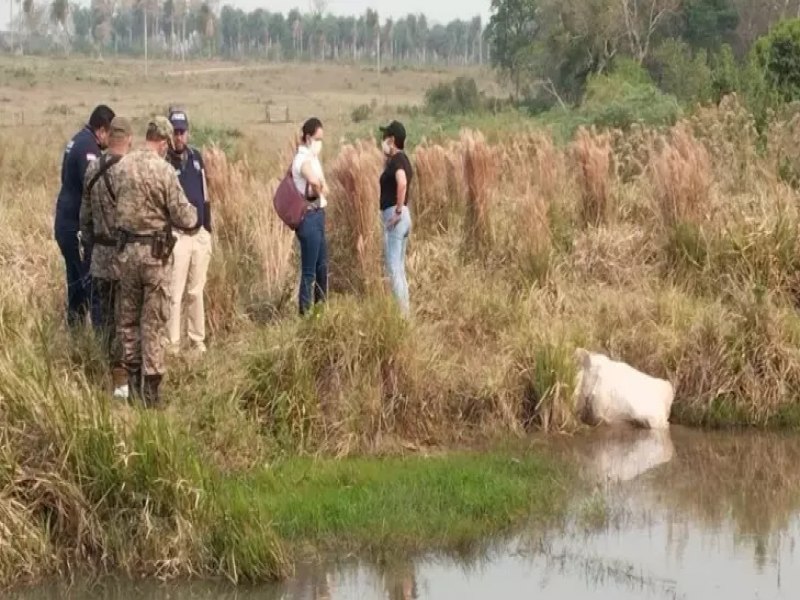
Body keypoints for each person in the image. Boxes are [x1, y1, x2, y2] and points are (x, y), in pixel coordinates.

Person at [114, 117, 197, 407]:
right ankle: (152, 391)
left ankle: (131, 385)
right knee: (153, 322)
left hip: (126, 255)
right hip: (154, 257)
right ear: (162, 141)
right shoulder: (164, 171)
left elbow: (114, 205)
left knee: (127, 321)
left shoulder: (121, 166)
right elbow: (185, 216)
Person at [79, 116, 133, 399]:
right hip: (123, 257)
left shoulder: (92, 169)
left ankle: (101, 369)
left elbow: (84, 217)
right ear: (129, 139)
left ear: (109, 136)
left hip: (99, 255)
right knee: (125, 318)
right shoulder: (127, 171)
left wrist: (89, 245)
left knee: (103, 317)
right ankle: (121, 379)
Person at [54, 104, 116, 329]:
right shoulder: (89, 149)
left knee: (76, 283)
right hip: (75, 227)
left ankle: (76, 332)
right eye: (110, 134)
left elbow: (64, 178)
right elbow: (94, 186)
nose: (110, 140)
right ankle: (95, 338)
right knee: (88, 284)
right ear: (101, 130)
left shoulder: (76, 141)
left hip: (65, 222)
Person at [165, 108, 212, 355]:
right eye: (175, 132)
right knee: (174, 292)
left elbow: (205, 195)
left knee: (196, 291)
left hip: (199, 235)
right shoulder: (164, 162)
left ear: (188, 132)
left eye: (182, 132)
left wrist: (208, 230)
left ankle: (196, 340)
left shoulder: (196, 157)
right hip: (178, 235)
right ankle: (172, 344)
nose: (179, 137)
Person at [291, 117, 329, 316]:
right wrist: (320, 187)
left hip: (318, 214)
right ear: (307, 138)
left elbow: (323, 186)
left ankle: (321, 310)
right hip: (309, 218)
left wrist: (321, 188)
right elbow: (316, 182)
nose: (319, 143)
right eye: (317, 138)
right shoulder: (302, 160)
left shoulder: (312, 159)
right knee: (309, 271)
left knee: (322, 267)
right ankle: (305, 315)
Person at [379, 120, 413, 316]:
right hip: (403, 216)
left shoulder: (398, 161)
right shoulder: (404, 159)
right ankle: (404, 313)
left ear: (392, 140)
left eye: (385, 138)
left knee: (393, 269)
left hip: (396, 216)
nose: (383, 141)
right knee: (399, 269)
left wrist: (397, 211)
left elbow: (401, 183)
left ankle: (401, 317)